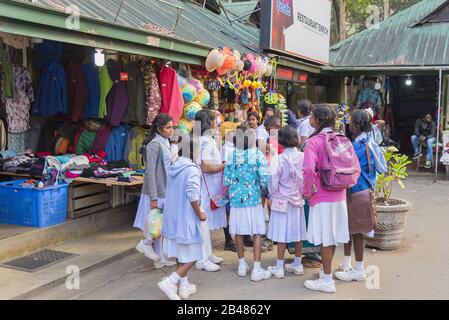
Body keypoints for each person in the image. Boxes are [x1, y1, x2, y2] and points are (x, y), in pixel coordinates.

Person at [302, 104, 350, 293]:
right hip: (340, 194)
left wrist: (307, 191)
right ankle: (325, 272)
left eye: (311, 116)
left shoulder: (313, 142)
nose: (309, 119)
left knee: (325, 238)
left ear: (318, 120)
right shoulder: (342, 138)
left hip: (321, 195)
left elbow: (307, 170)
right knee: (332, 236)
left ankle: (327, 280)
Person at [335, 109, 387, 283]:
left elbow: (345, 164)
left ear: (357, 125)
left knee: (356, 232)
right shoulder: (369, 141)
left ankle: (358, 269)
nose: (349, 124)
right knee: (350, 229)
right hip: (363, 190)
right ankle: (347, 263)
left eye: (351, 121)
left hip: (357, 191)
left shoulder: (358, 145)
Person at [158, 134, 204, 300]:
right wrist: (200, 213)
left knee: (180, 254)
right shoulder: (191, 169)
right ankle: (171, 281)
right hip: (187, 218)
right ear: (193, 150)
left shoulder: (174, 166)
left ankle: (184, 287)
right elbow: (192, 195)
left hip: (173, 217)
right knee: (196, 254)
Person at [224, 124, 272, 282]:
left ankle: (242, 265)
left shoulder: (231, 156)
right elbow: (264, 179)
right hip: (253, 198)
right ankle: (257, 269)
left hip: (236, 199)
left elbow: (226, 180)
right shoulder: (258, 155)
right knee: (257, 232)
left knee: (238, 231)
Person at [134, 114, 176, 269]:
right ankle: (145, 243)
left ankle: (161, 258)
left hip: (164, 189)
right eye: (168, 127)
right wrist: (153, 197)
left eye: (172, 127)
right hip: (156, 191)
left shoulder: (165, 142)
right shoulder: (154, 145)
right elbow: (150, 172)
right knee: (158, 224)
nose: (171, 130)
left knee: (160, 225)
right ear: (159, 128)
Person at [266, 126, 307, 279]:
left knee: (281, 234)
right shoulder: (303, 156)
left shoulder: (279, 159)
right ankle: (297, 264)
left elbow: (272, 181)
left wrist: (272, 194)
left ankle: (279, 267)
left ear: (281, 141)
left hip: (281, 200)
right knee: (298, 233)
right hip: (298, 198)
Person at [194, 109, 226, 272]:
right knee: (203, 221)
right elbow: (205, 167)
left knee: (205, 222)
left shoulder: (206, 139)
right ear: (209, 122)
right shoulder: (205, 142)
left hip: (209, 187)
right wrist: (223, 166)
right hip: (205, 188)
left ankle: (208, 253)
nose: (217, 123)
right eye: (215, 120)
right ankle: (202, 258)